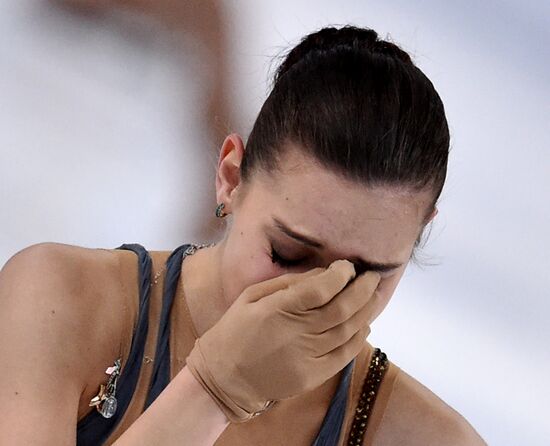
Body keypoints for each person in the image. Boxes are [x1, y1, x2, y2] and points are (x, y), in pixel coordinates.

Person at [0, 25, 487, 445]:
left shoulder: (426, 438)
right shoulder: (59, 301)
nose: (310, 297)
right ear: (231, 177)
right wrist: (212, 392)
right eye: (288, 252)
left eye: (364, 275)